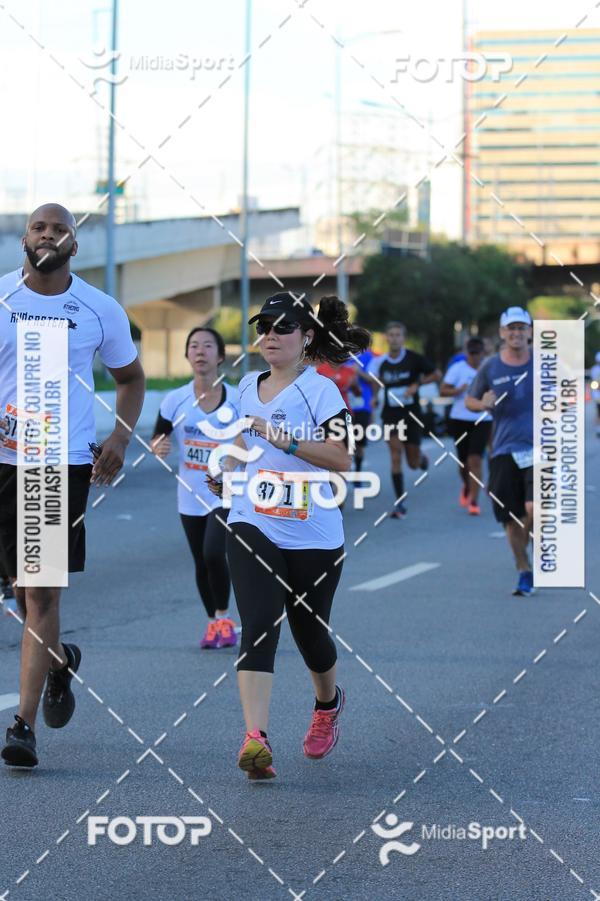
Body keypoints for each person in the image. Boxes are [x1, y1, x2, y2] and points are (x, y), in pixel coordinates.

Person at [0, 203, 145, 768]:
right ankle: (58, 662)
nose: (48, 236)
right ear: (24, 238)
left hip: (56, 462)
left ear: (74, 246)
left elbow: (130, 378)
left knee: (39, 593)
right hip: (2, 462)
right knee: (18, 592)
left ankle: (22, 725)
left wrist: (120, 438)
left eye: (60, 230)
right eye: (39, 227)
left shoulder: (98, 309)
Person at [212, 292, 369, 780]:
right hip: (252, 519)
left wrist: (289, 441)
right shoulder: (245, 386)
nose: (271, 336)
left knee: (309, 632)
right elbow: (243, 438)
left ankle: (327, 703)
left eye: (283, 327)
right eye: (264, 327)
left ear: (307, 338)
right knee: (259, 622)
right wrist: (226, 468)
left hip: (314, 531)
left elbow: (344, 459)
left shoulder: (320, 391)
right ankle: (255, 738)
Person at [151, 327, 239, 650]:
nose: (200, 351)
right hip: (189, 493)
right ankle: (215, 622)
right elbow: (158, 437)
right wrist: (158, 446)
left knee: (213, 552)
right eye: (193, 346)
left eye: (207, 346)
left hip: (225, 490)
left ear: (220, 356)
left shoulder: (239, 399)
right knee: (200, 562)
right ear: (187, 355)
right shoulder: (175, 400)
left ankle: (225, 617)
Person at [466, 307, 534, 596]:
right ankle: (523, 569)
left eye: (522, 328)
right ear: (503, 333)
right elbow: (469, 399)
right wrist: (482, 405)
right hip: (504, 449)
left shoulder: (546, 362)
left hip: (541, 448)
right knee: (511, 518)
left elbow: (567, 396)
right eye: (512, 328)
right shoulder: (491, 367)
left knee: (534, 509)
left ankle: (528, 540)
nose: (517, 333)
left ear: (530, 332)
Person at [368, 322, 440, 519]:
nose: (394, 338)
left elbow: (436, 374)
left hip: (412, 415)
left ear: (403, 338)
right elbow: (375, 381)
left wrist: (417, 384)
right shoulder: (379, 362)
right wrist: (374, 397)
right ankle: (400, 503)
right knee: (395, 455)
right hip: (390, 415)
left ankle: (421, 458)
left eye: (398, 335)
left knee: (413, 463)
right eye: (391, 335)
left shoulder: (414, 359)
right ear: (386, 338)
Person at [441, 337, 492, 515]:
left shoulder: (490, 367)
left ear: (483, 353)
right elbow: (443, 390)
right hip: (460, 419)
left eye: (478, 353)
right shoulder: (458, 369)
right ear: (466, 353)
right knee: (463, 462)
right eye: (472, 353)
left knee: (475, 459)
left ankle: (474, 501)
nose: (475, 357)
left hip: (483, 419)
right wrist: (458, 390)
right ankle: (467, 485)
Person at [348, 346, 376, 472]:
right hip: (342, 404)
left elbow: (373, 379)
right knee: (342, 442)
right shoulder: (340, 355)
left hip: (362, 405)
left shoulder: (367, 356)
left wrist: (358, 372)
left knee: (359, 443)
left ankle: (357, 473)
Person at [590, 350, 600, 438]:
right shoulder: (594, 369)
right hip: (598, 395)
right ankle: (598, 429)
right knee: (598, 411)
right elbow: (595, 383)